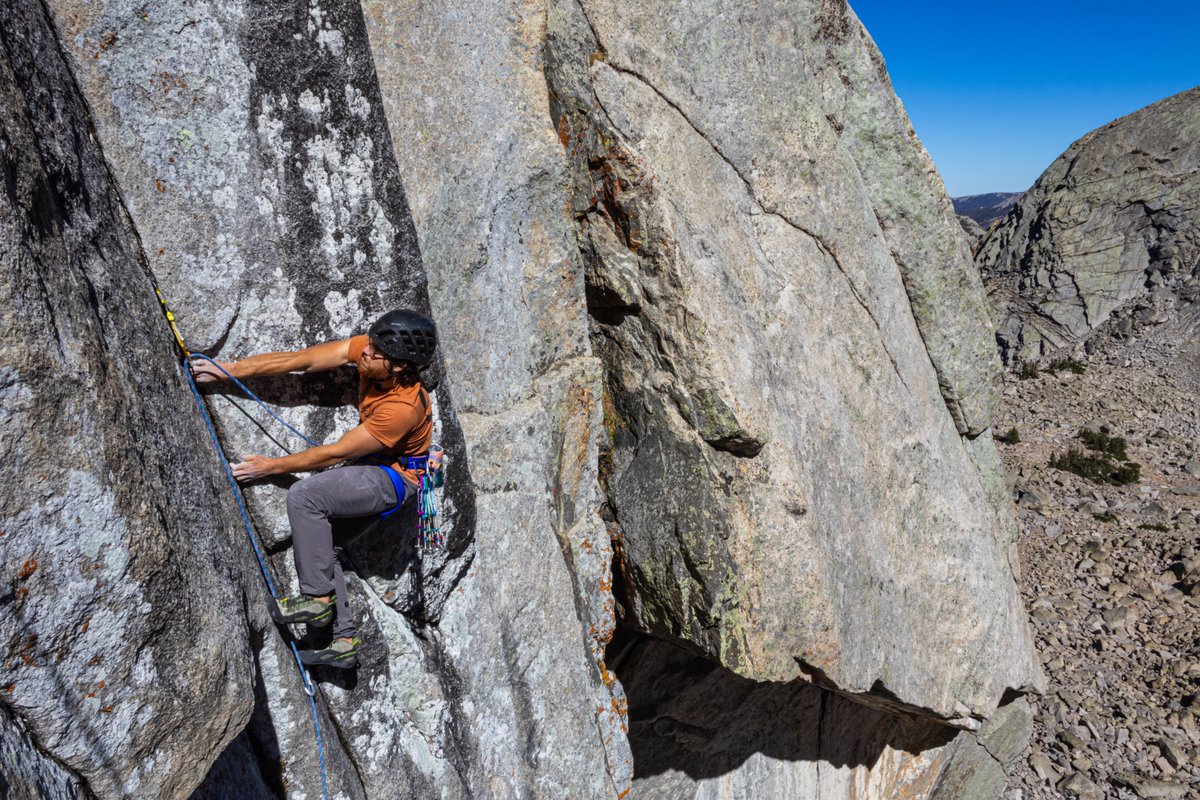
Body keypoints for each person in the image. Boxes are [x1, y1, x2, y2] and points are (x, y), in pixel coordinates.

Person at [192, 310, 438, 668]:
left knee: (306, 497)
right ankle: (343, 641)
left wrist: (269, 467)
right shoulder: (371, 352)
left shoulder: (401, 409)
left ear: (400, 367)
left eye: (376, 352)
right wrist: (230, 369)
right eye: (369, 343)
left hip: (396, 478)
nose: (364, 353)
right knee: (326, 547)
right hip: (376, 467)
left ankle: (316, 602)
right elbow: (300, 360)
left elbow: (335, 453)